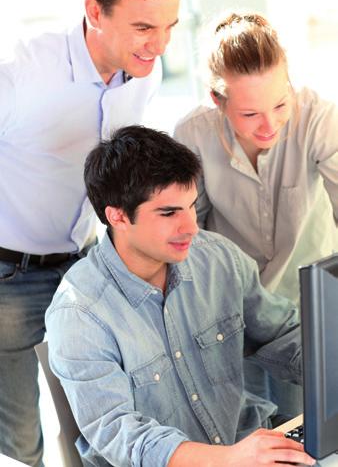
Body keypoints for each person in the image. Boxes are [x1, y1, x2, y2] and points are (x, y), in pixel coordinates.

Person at [0, 0, 186, 465]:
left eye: (169, 26)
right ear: (94, 13)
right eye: (144, 27)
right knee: (18, 442)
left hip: (84, 267)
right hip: (7, 277)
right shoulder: (20, 70)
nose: (159, 44)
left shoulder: (143, 71)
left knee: (98, 429)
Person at [45, 125, 315, 467]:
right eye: (169, 213)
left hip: (248, 449)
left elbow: (283, 336)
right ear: (118, 216)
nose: (191, 226)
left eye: (191, 206)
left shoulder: (218, 259)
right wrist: (228, 459)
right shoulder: (79, 314)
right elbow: (122, 435)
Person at [174, 11, 338, 420]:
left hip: (305, 315)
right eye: (249, 114)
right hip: (230, 311)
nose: (270, 125)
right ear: (217, 100)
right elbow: (189, 236)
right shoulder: (192, 135)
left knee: (306, 428)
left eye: (280, 104)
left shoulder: (318, 117)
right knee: (243, 430)